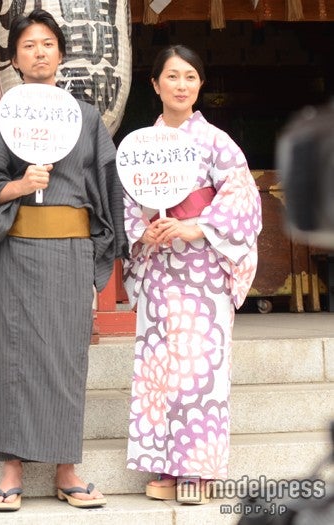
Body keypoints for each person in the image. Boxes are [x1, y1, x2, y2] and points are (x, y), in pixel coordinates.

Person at [0, 8, 127, 512]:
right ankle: (11, 467)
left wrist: (104, 248)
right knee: (13, 354)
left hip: (70, 249)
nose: (38, 53)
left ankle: (66, 467)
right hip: (17, 247)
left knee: (66, 354)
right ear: (14, 59)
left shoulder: (85, 118)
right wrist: (19, 185)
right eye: (28, 46)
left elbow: (107, 188)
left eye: (47, 44)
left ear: (61, 53)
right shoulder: (0, 118)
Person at [123, 44, 261, 504]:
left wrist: (196, 226)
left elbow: (242, 200)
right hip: (159, 265)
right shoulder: (141, 144)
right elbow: (127, 203)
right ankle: (164, 464)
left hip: (203, 269)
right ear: (155, 84)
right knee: (159, 366)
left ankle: (198, 468)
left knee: (200, 366)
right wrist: (142, 230)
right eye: (172, 76)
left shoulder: (217, 142)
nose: (181, 85)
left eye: (190, 77)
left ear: (200, 84)